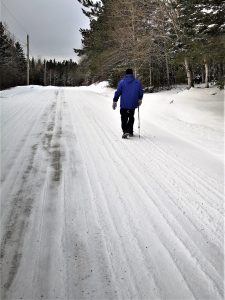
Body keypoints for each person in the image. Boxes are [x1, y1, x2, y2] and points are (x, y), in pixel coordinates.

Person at [112, 68, 144, 138]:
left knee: (124, 118)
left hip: (124, 104)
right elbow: (141, 92)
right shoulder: (137, 82)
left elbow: (118, 92)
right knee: (131, 117)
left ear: (126, 74)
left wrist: (115, 100)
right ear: (132, 74)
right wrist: (140, 99)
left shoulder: (122, 82)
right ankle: (130, 131)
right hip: (132, 104)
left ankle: (125, 131)